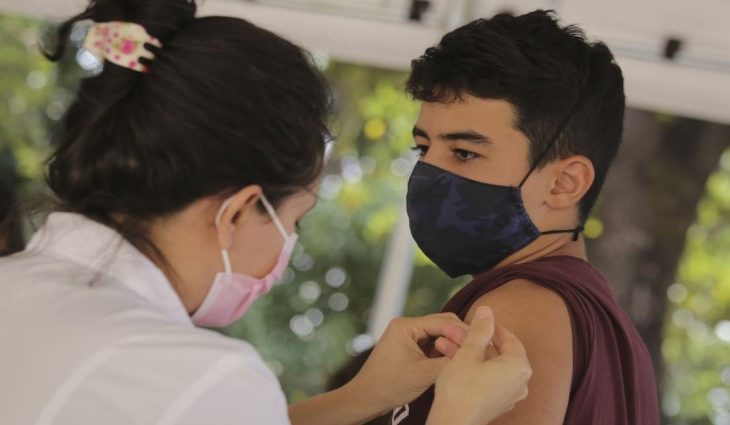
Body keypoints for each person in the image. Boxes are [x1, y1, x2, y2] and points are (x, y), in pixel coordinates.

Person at [0, 1, 532, 424]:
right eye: (294, 220)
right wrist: (457, 415)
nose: (287, 249)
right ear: (238, 211)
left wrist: (364, 395)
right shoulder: (197, 377)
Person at [396, 10, 659, 425]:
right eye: (423, 149)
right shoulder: (614, 335)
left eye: (464, 152)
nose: (428, 173)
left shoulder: (515, 312)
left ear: (565, 183)